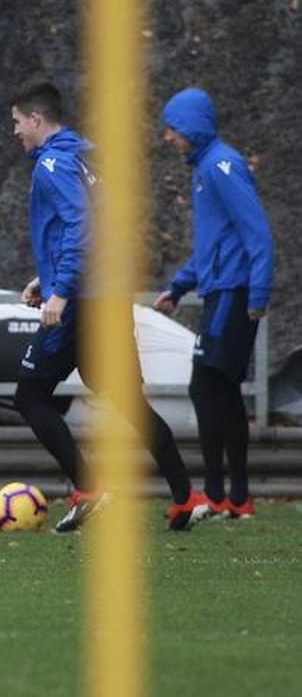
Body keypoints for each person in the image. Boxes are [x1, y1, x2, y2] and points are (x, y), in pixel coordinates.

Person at [7, 82, 207, 532]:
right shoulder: (87, 154)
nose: (15, 132)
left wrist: (60, 292)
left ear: (36, 120)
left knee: (30, 394)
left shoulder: (52, 164)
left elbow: (81, 224)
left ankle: (88, 488)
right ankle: (185, 497)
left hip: (81, 302)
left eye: (17, 123)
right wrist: (48, 277)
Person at [153, 87, 273, 520]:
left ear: (192, 125)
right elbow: (215, 244)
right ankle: (235, 499)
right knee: (220, 391)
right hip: (222, 290)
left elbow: (257, 233)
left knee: (204, 387)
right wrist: (180, 286)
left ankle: (218, 494)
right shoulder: (205, 167)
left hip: (234, 294)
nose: (168, 137)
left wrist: (258, 293)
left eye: (172, 127)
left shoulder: (222, 165)